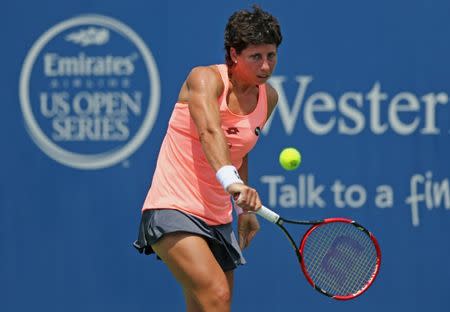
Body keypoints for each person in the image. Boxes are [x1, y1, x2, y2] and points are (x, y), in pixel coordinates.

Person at [133, 5, 282, 312]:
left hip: (218, 217)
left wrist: (245, 210)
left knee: (204, 307)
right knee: (216, 296)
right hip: (173, 206)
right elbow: (210, 133)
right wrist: (232, 184)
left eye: (271, 55)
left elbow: (240, 152)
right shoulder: (204, 79)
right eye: (256, 56)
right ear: (234, 54)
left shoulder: (268, 97)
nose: (266, 66)